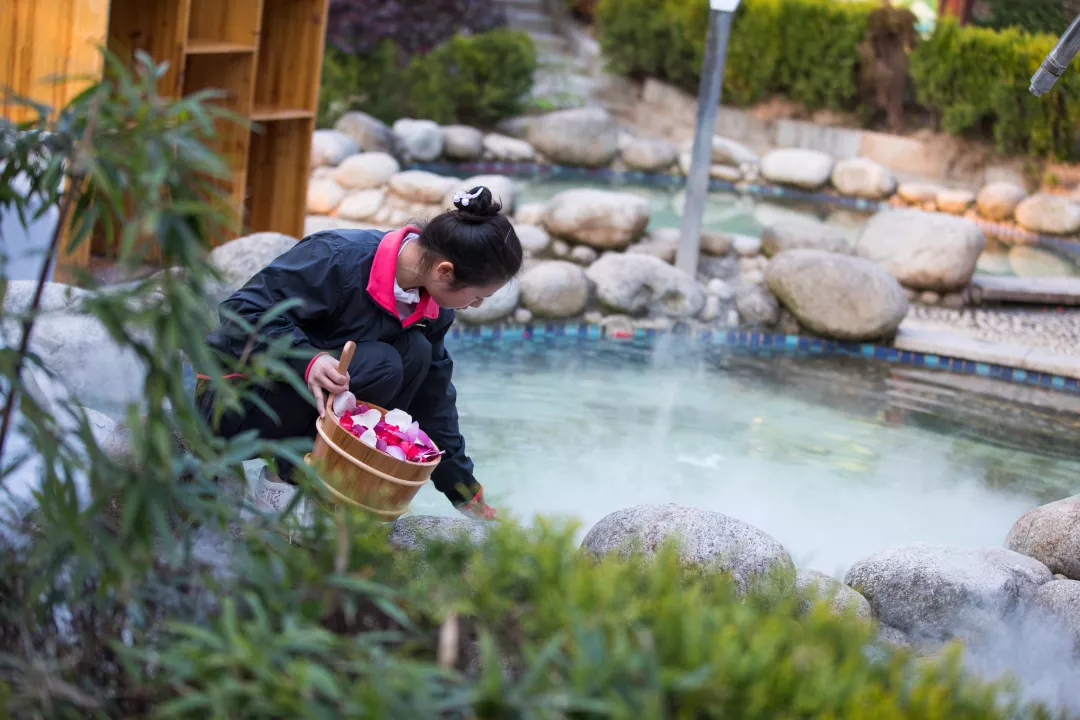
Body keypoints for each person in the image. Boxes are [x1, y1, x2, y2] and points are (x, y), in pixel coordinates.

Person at [197, 186, 521, 521]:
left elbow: (434, 400)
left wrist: (464, 491)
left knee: (416, 353)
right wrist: (307, 359)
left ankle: (329, 485)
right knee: (383, 364)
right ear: (444, 271)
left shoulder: (431, 310)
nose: (477, 305)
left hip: (291, 410)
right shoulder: (336, 257)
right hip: (236, 402)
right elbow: (239, 314)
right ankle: (282, 485)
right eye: (479, 295)